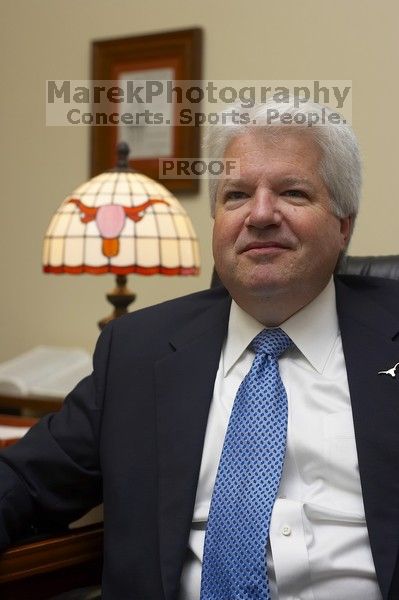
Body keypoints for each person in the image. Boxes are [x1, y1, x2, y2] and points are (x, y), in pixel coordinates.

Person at [0, 99, 398, 600]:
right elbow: (23, 482)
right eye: (236, 195)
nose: (259, 214)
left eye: (293, 192)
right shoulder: (137, 351)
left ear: (343, 224)